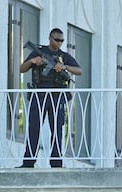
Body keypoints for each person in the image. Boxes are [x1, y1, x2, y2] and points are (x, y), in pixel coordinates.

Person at [18, 28, 81, 168]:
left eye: (62, 41)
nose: (59, 43)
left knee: (57, 130)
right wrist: (33, 61)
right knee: (34, 128)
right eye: (56, 40)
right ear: (50, 38)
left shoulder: (63, 56)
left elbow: (79, 70)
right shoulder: (38, 52)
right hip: (39, 94)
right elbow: (22, 69)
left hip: (57, 96)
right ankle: (28, 162)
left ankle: (56, 162)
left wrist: (64, 66)